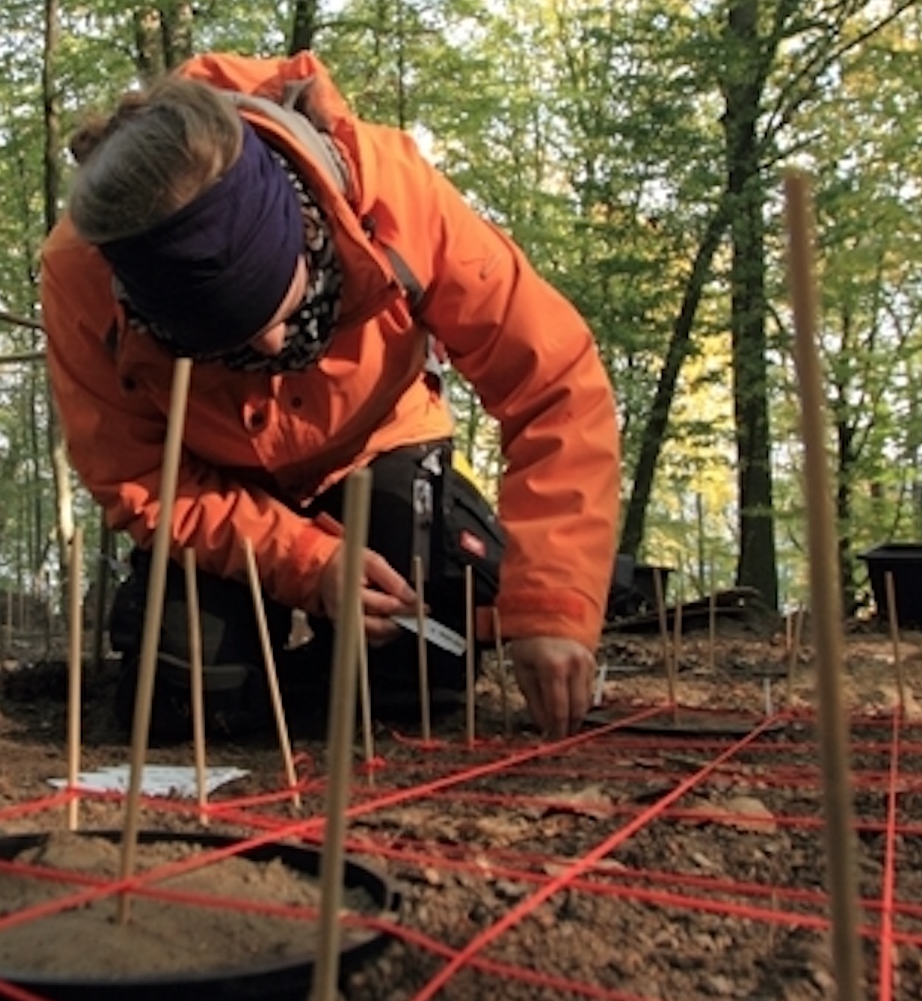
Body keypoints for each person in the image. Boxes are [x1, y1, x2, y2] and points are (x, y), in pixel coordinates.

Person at [40, 51, 620, 740]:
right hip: (216, 488)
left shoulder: (395, 195)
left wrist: (554, 602)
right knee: (189, 695)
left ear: (305, 224)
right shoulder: (80, 281)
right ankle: (253, 691)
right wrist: (310, 564)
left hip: (381, 444)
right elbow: (135, 477)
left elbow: (553, 383)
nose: (275, 349)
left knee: (415, 677)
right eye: (230, 347)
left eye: (287, 310)